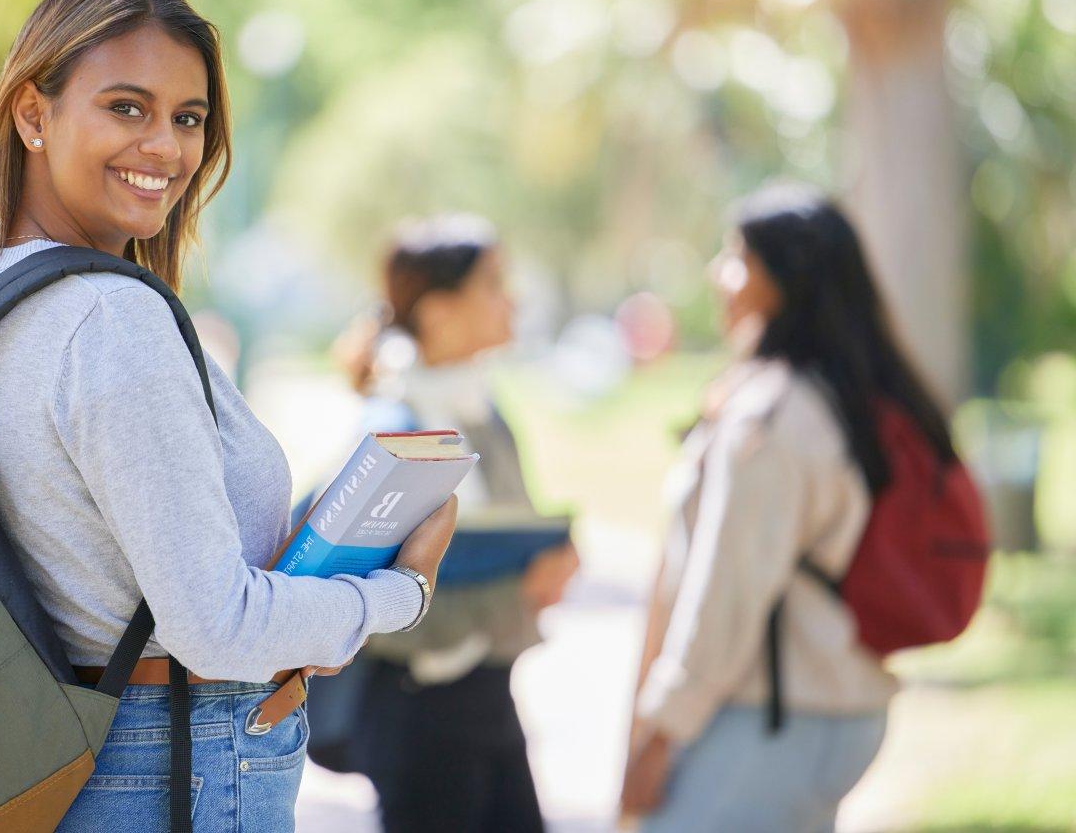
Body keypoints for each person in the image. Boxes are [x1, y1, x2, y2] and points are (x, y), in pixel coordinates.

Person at [0, 0, 459, 833]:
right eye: (126, 107)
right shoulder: (113, 319)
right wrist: (400, 591)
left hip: (65, 761)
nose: (167, 147)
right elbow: (216, 628)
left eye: (188, 118)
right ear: (32, 114)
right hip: (174, 771)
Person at [621, 185, 959, 832]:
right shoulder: (838, 394)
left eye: (733, 256)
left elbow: (729, 592)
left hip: (776, 720)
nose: (716, 274)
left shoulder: (770, 417)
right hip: (829, 710)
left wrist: (659, 731)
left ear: (778, 279)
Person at [329, 214, 580, 833]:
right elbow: (354, 593)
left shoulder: (483, 407)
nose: (512, 299)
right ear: (439, 311)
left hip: (487, 693)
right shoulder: (395, 423)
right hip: (418, 705)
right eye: (493, 282)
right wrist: (519, 588)